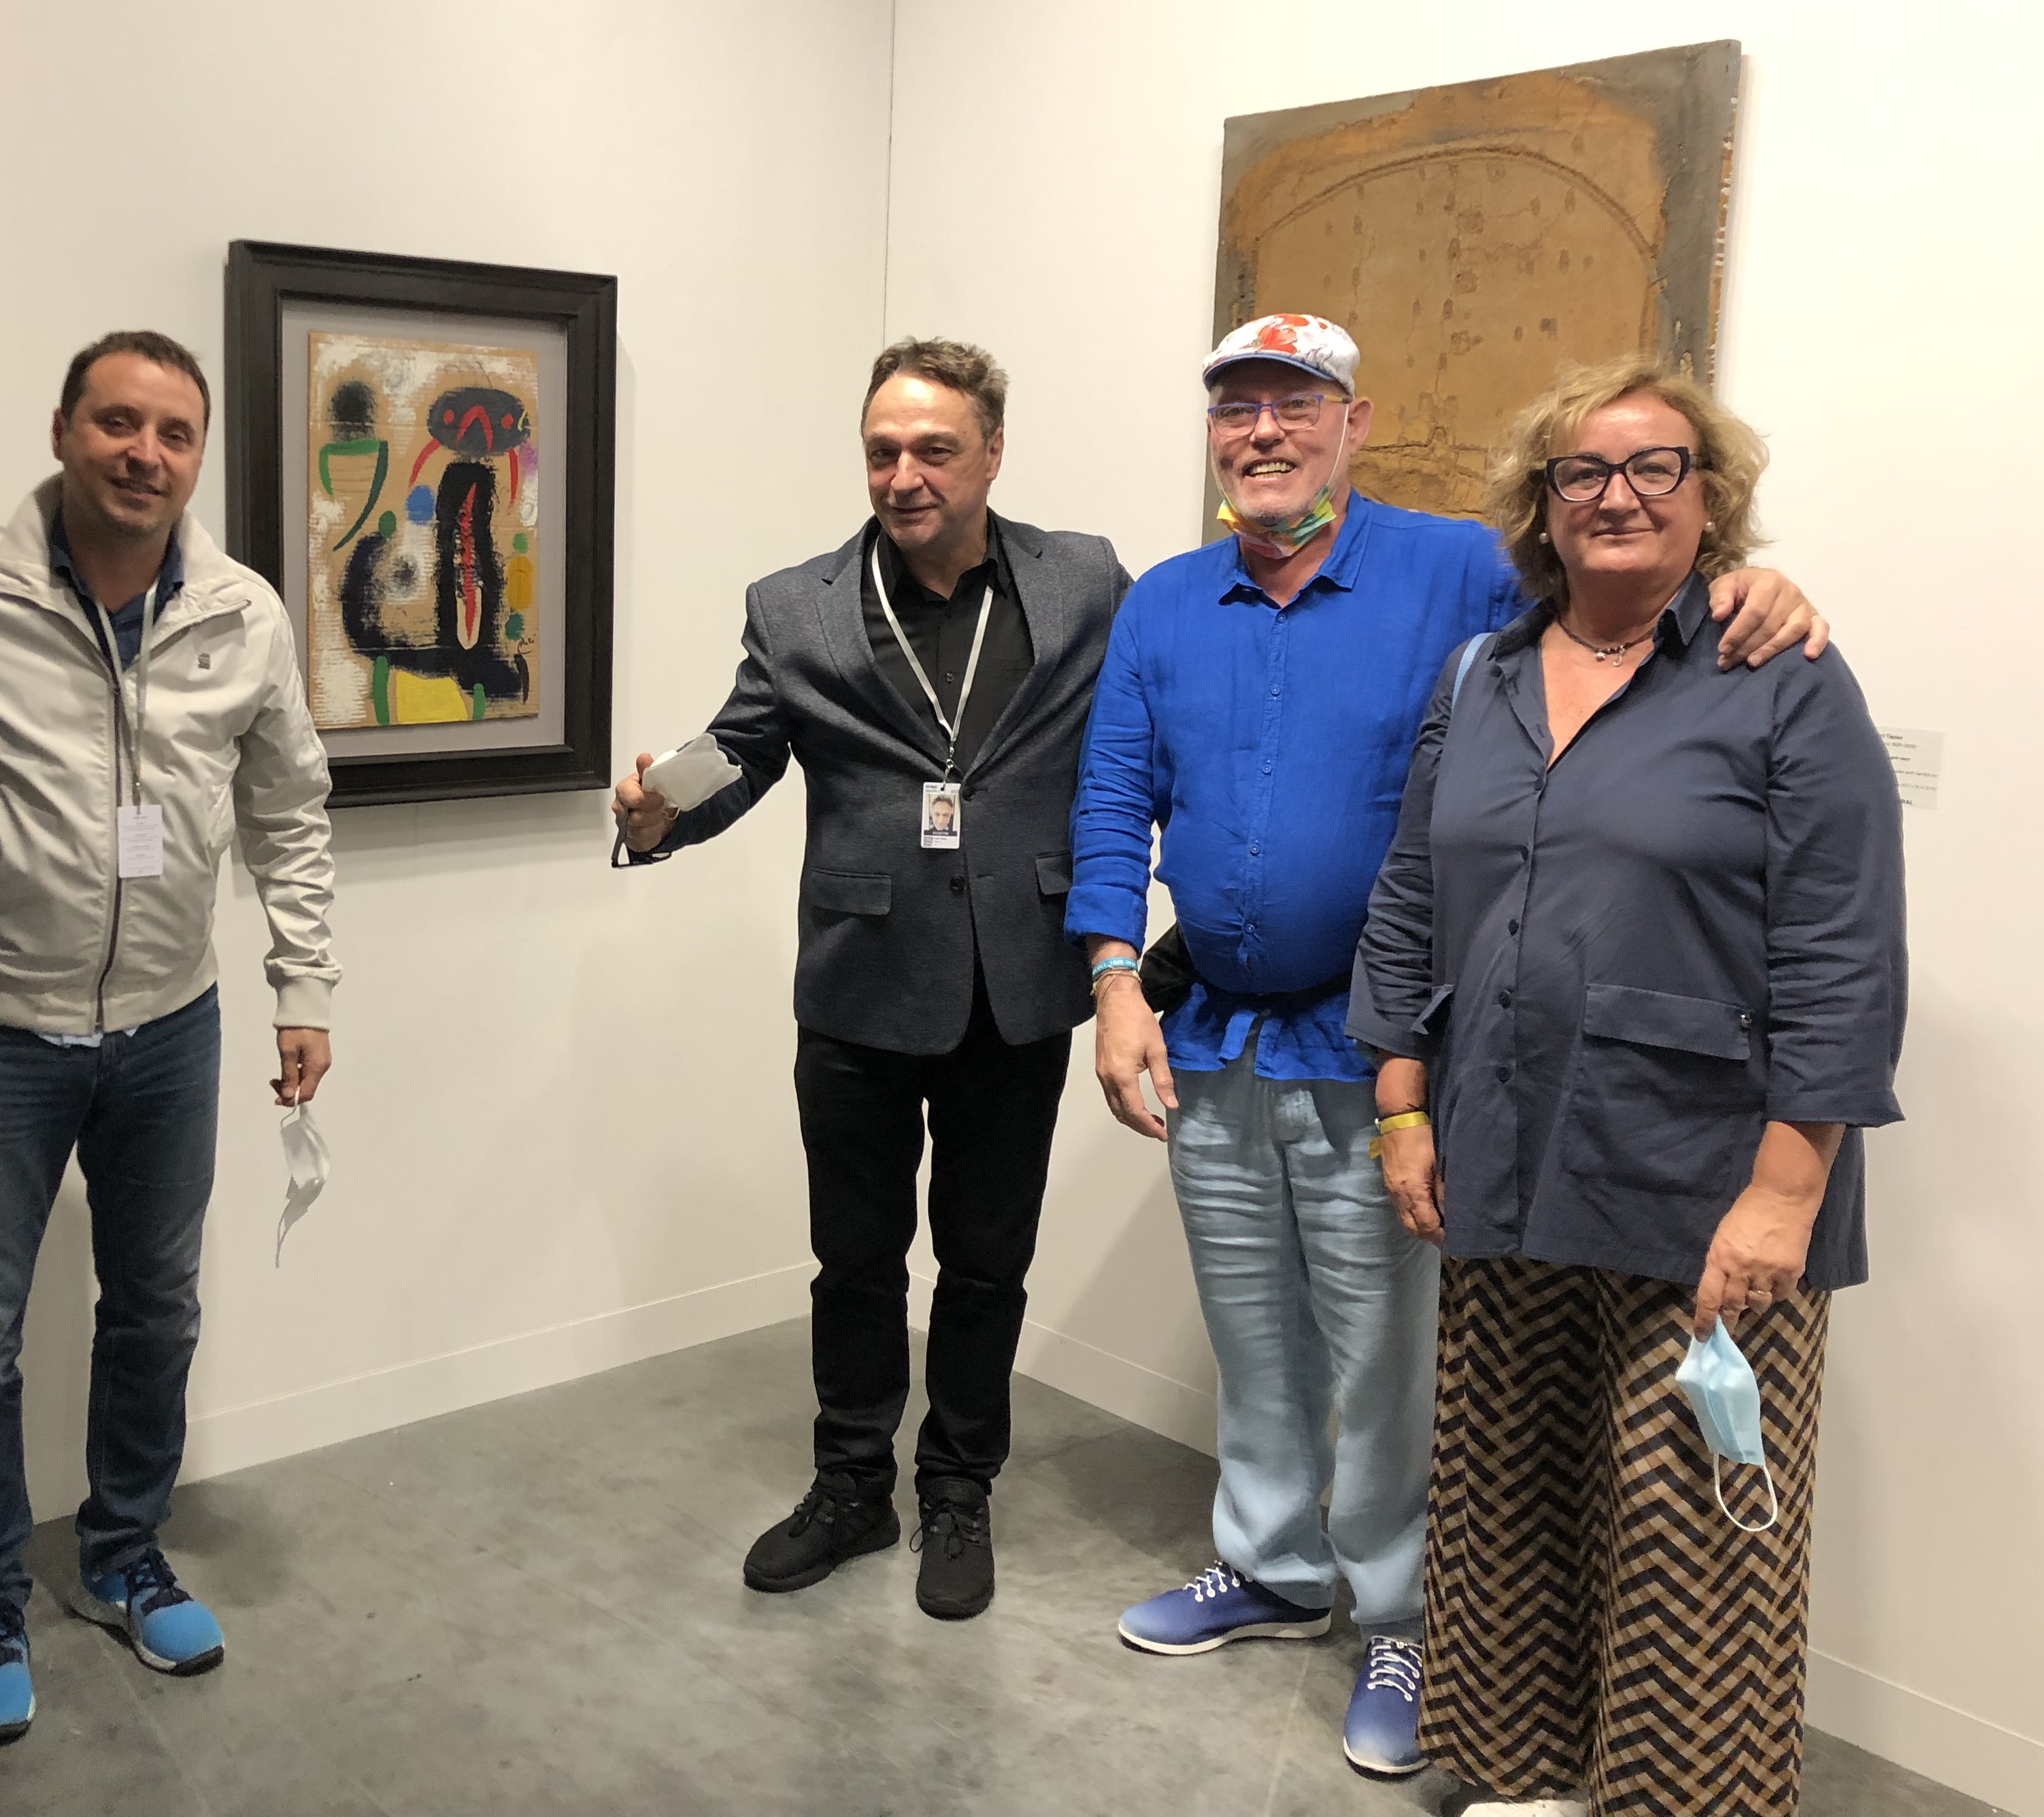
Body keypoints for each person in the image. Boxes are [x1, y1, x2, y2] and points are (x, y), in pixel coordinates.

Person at [1063, 314, 1824, 1778]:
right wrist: (1111, 981)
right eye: (1236, 409)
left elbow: (1624, 598)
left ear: (1355, 424)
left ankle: (1407, 1617)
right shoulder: (1164, 603)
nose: (1264, 432)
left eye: (1297, 405)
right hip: (1211, 1040)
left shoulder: (1457, 571)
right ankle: (1271, 1564)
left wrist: (1748, 586)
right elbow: (1111, 798)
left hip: (1389, 1058)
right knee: (1252, 1331)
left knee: (1388, 1353)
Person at [1348, 360, 1903, 1817]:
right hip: (1501, 1144)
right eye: (1583, 471)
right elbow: (1411, 897)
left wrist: (1787, 1195)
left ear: (1710, 497)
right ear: (1541, 505)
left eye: (1657, 467)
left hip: (1704, 1173)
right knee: (1511, 1488)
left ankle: (1674, 1799)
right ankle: (1528, 1774)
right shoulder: (1480, 677)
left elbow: (1845, 950)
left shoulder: (1781, 676)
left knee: (1688, 1528)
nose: (1618, 495)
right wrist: (1401, 1103)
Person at [613, 337, 1129, 1620]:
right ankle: (852, 1485)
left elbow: (1146, 726)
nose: (905, 476)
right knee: (854, 1259)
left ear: (993, 454)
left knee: (987, 1261)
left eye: (934, 450)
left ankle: (958, 1488)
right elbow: (744, 748)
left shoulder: (1084, 582)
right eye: (883, 451)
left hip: (1018, 979)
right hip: (858, 982)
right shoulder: (796, 605)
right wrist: (660, 813)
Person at [0, 330, 339, 1748]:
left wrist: (304, 987)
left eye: (173, 432)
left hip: (170, 1023)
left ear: (197, 455)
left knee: (157, 1309)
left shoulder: (242, 613)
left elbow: (289, 809)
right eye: (118, 422)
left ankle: (124, 1553)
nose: (145, 454)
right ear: (64, 430)